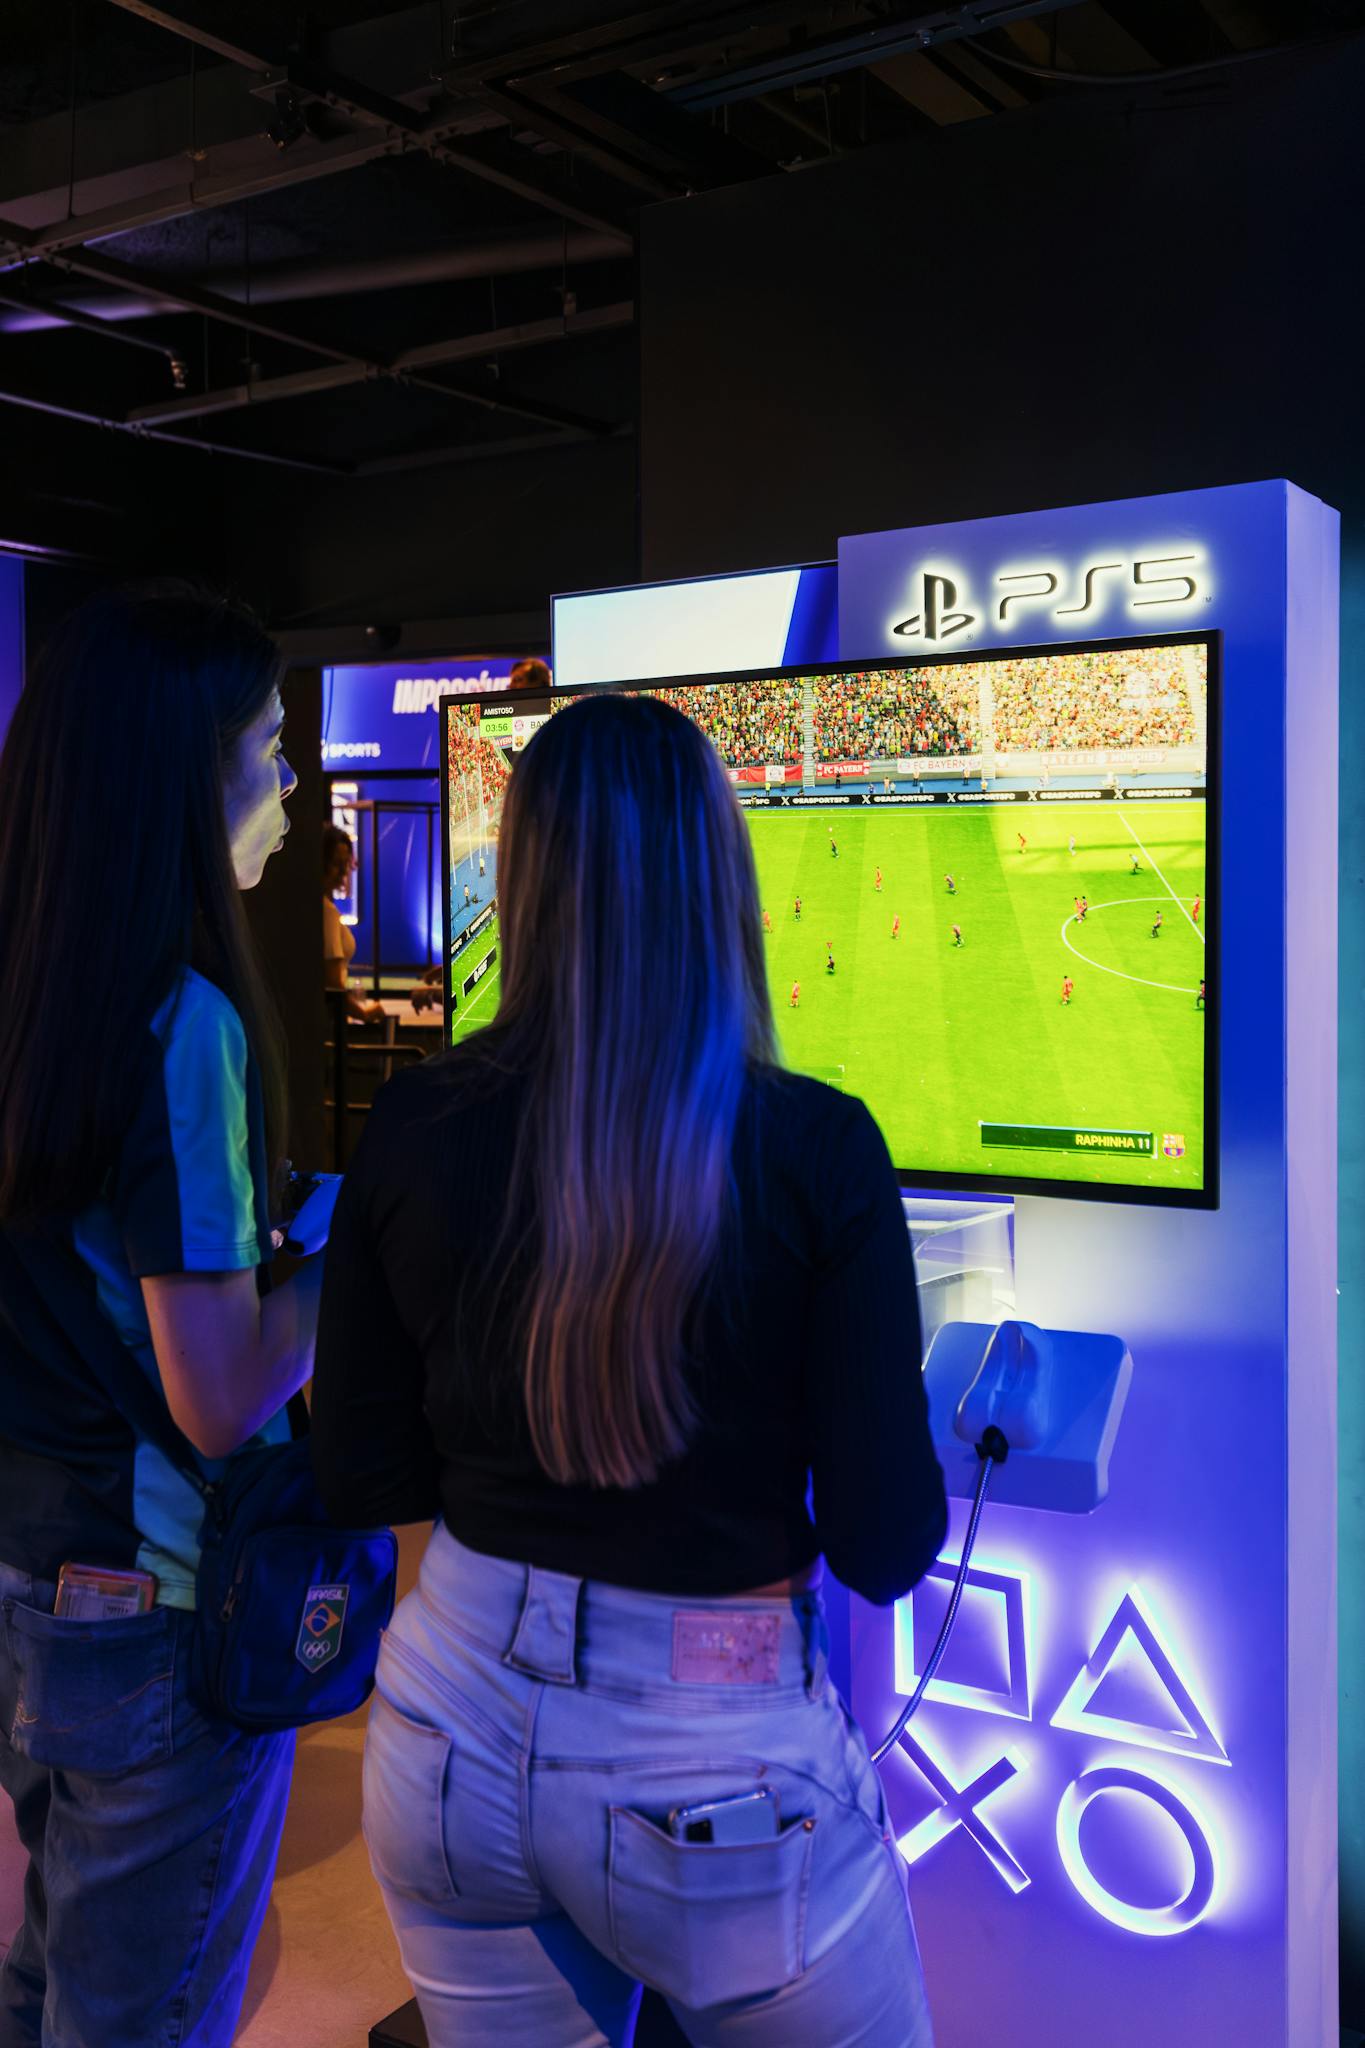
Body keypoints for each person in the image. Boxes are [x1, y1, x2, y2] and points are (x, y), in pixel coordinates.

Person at [309, 695, 943, 2048]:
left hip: (447, 1721)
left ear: (526, 879)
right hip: (714, 1733)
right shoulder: (816, 1150)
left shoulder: (416, 1119)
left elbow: (360, 1465)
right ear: (719, 874)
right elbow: (889, 1544)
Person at [0, 585, 319, 2044]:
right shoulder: (181, 1025)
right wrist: (355, 1253)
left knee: (53, 1975)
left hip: (31, 1581)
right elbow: (220, 1391)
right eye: (269, 743)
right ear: (185, 776)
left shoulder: (35, 991)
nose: (292, 780)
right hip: (154, 1612)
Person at [323, 825, 385, 1025]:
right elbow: (333, 986)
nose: (343, 871)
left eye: (345, 863)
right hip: (329, 1025)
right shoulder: (326, 912)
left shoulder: (323, 907)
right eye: (336, 863)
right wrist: (364, 1014)